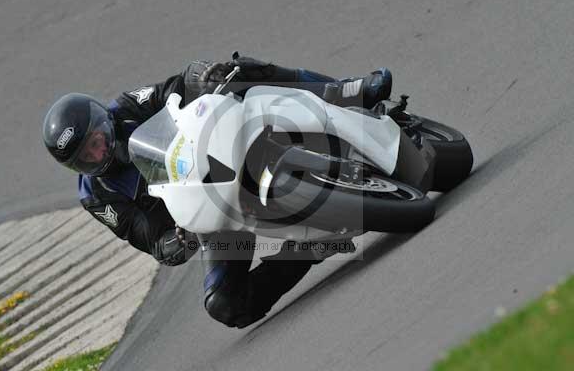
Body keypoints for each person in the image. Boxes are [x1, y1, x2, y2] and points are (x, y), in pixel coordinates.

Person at [41, 54, 392, 328]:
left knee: (240, 71)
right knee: (225, 304)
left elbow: (177, 86)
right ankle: (311, 248)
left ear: (103, 123)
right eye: (85, 158)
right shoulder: (97, 196)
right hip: (213, 217)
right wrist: (178, 240)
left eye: (96, 143)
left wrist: (202, 76)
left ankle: (347, 92)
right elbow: (150, 239)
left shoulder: (128, 107)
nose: (97, 156)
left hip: (225, 147)